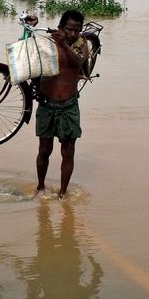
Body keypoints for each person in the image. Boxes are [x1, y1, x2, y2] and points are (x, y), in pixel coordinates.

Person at [25, 10, 89, 200]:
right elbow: (26, 53)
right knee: (44, 150)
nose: (72, 34)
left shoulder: (81, 45)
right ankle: (40, 187)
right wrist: (31, 27)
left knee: (68, 153)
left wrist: (64, 44)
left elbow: (78, 63)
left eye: (77, 30)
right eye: (69, 29)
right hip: (47, 104)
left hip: (69, 106)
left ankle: (63, 193)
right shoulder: (48, 43)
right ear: (60, 28)